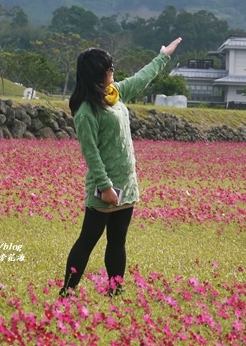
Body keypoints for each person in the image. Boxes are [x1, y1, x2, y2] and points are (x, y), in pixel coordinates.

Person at [59, 37, 182, 298]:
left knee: (118, 241)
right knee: (88, 240)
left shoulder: (114, 94)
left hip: (126, 184)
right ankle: (67, 291)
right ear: (98, 74)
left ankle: (115, 291)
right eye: (109, 69)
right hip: (104, 188)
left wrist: (163, 55)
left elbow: (141, 78)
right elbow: (90, 153)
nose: (113, 73)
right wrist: (104, 187)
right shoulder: (85, 110)